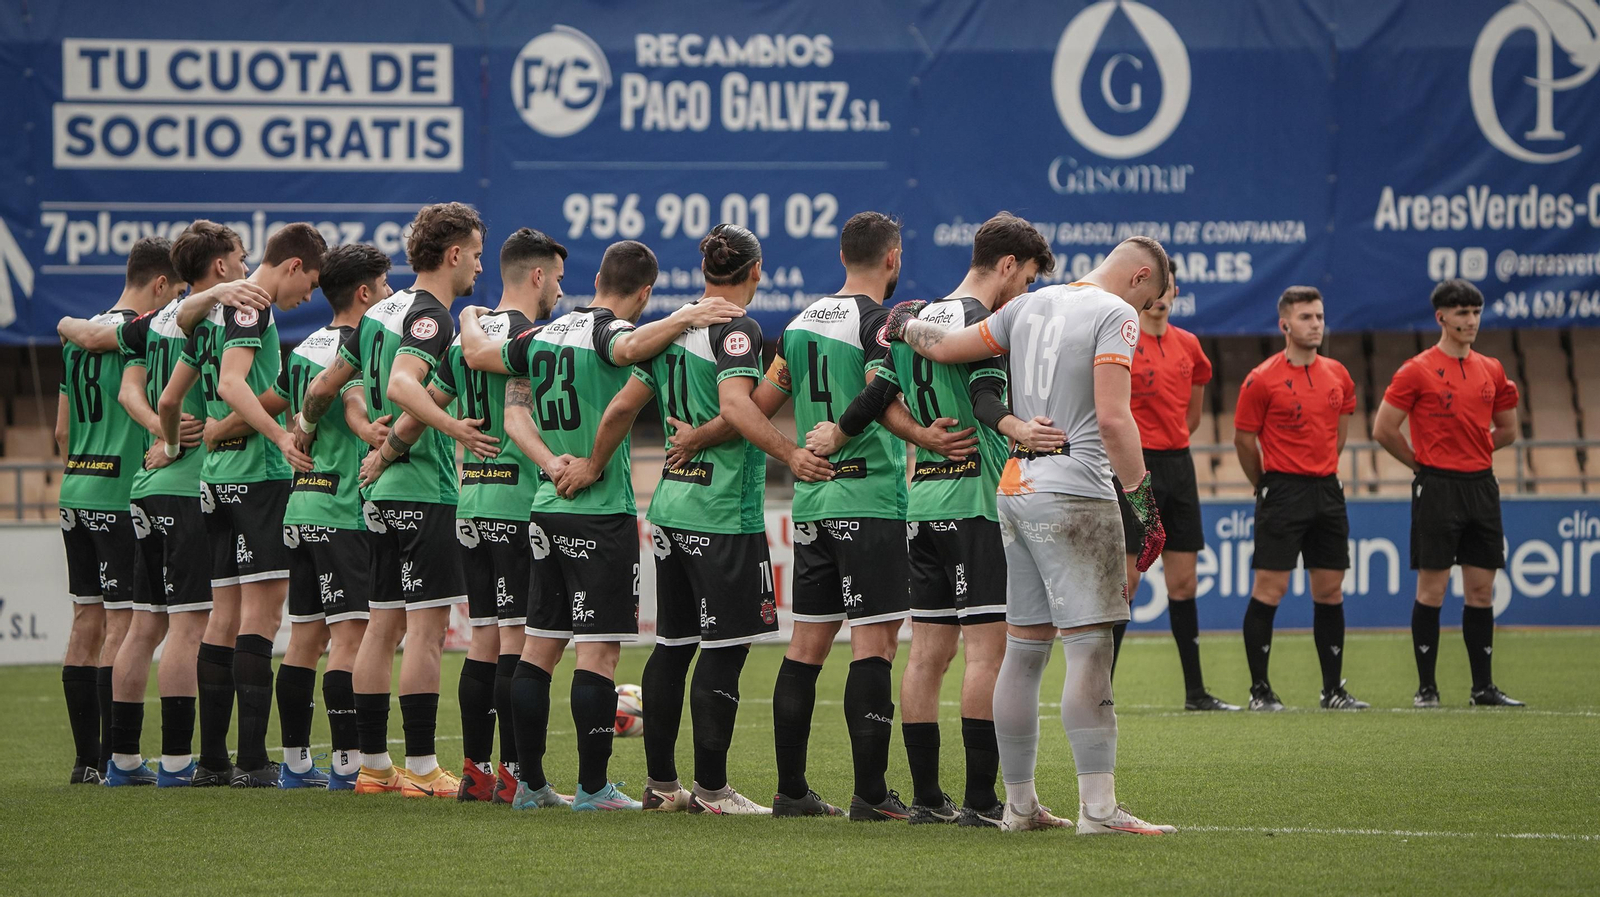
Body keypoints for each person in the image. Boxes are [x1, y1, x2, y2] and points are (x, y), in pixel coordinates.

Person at [892, 236, 1174, 835]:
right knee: (1090, 649)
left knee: (1023, 651)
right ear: (1139, 276)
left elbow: (944, 347)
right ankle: (1099, 810)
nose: (1145, 311)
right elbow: (1113, 418)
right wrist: (1144, 504)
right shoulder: (1115, 313)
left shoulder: (1027, 304)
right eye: (1149, 299)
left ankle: (1019, 806)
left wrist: (903, 324)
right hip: (1076, 489)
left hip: (1016, 487)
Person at [461, 239, 744, 811]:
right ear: (645, 292)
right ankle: (592, 789)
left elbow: (507, 403)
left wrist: (550, 465)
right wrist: (687, 314)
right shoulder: (608, 332)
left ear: (595, 280)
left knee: (539, 649)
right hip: (598, 510)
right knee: (598, 655)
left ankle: (530, 786)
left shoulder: (542, 336)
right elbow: (629, 345)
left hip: (546, 503)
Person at [812, 212, 1056, 825]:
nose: (1024, 292)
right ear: (1007, 265)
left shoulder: (910, 320)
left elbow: (875, 397)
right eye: (1026, 278)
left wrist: (836, 434)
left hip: (922, 506)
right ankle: (981, 801)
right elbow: (984, 399)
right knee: (985, 656)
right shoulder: (983, 326)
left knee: (926, 655)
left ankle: (926, 798)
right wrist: (1019, 427)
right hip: (976, 506)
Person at [555, 225, 783, 815]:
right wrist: (791, 453)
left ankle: (661, 787)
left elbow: (619, 409)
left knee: (672, 646)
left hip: (670, 508)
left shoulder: (672, 332)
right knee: (724, 649)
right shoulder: (737, 330)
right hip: (721, 512)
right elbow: (738, 409)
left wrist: (592, 464)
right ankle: (712, 791)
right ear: (755, 272)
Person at [760, 211, 976, 822]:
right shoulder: (879, 321)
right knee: (874, 645)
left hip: (812, 503)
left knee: (805, 647)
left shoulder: (799, 325)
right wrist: (917, 436)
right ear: (893, 258)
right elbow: (879, 394)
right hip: (867, 499)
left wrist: (793, 452)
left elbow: (760, 403)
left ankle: (791, 791)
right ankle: (872, 795)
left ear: (841, 255)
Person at [58, 226, 273, 786]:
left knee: (141, 624)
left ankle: (120, 760)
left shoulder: (153, 322)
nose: (245, 268)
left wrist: (160, 433)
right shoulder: (214, 318)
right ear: (220, 268)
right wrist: (174, 440)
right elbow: (207, 392)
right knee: (188, 626)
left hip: (139, 487)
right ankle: (178, 760)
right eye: (240, 259)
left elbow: (128, 391)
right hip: (185, 484)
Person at [296, 202, 495, 798]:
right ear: (453, 254)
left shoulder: (378, 312)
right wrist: (455, 428)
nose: (479, 267)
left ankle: (375, 767)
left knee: (381, 627)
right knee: (426, 633)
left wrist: (303, 429)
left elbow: (321, 386)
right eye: (476, 255)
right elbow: (403, 384)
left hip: (379, 495)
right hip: (422, 489)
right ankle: (424, 766)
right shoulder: (431, 315)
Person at [152, 222, 325, 786]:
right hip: (258, 476)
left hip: (213, 478)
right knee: (260, 618)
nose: (308, 296)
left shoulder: (209, 315)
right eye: (310, 282)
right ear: (293, 265)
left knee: (222, 618)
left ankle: (211, 762)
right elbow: (231, 385)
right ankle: (252, 761)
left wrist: (171, 445)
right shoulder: (252, 307)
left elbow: (170, 399)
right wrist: (280, 437)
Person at [431, 228, 564, 800]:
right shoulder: (533, 338)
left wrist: (388, 447)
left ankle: (476, 772)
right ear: (537, 276)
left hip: (472, 502)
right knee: (516, 640)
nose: (560, 290)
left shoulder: (466, 338)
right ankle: (516, 775)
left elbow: (426, 405)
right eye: (557, 278)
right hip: (515, 503)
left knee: (482, 639)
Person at [54, 237, 184, 784]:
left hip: (75, 491)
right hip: (118, 493)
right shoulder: (142, 335)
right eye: (177, 291)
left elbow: (62, 431)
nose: (178, 302)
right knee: (123, 624)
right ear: (160, 284)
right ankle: (116, 760)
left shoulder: (78, 338)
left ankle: (85, 761)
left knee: (85, 620)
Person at [274, 243, 395, 788]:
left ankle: (296, 763)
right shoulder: (358, 345)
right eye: (385, 286)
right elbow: (351, 402)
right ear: (364, 293)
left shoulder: (304, 347)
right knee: (350, 638)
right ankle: (348, 762)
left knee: (304, 640)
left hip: (301, 503)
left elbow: (284, 409)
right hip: (343, 509)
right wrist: (370, 430)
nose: (392, 294)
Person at [1373, 279, 1524, 708]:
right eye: (1462, 313)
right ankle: (1427, 689)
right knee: (1433, 590)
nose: (1471, 320)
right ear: (1441, 317)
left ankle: (1483, 688)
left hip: (1481, 486)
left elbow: (1508, 429)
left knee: (1481, 591)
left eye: (1476, 312)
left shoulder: (1492, 369)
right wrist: (1421, 464)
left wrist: (1472, 449)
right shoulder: (1416, 369)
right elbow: (1384, 428)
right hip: (1437, 487)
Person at [1234, 286, 1366, 712]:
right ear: (1285, 324)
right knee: (1270, 589)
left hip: (1327, 489)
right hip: (1282, 490)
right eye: (1306, 317)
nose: (1316, 324)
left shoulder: (1339, 375)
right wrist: (1266, 483)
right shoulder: (1261, 378)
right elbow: (1244, 441)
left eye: (1320, 317)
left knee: (1330, 590)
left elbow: (1338, 433)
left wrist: (1321, 468)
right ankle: (1260, 691)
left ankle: (1332, 691)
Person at [1117, 259, 1238, 711]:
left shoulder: (1190, 345)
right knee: (1126, 583)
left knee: (1184, 584)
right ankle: (1099, 693)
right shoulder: (1122, 339)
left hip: (1179, 467)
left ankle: (1195, 693)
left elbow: (1192, 413)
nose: (1161, 297)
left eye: (1168, 288)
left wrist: (1172, 442)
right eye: (1156, 287)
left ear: (1176, 292)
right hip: (1135, 468)